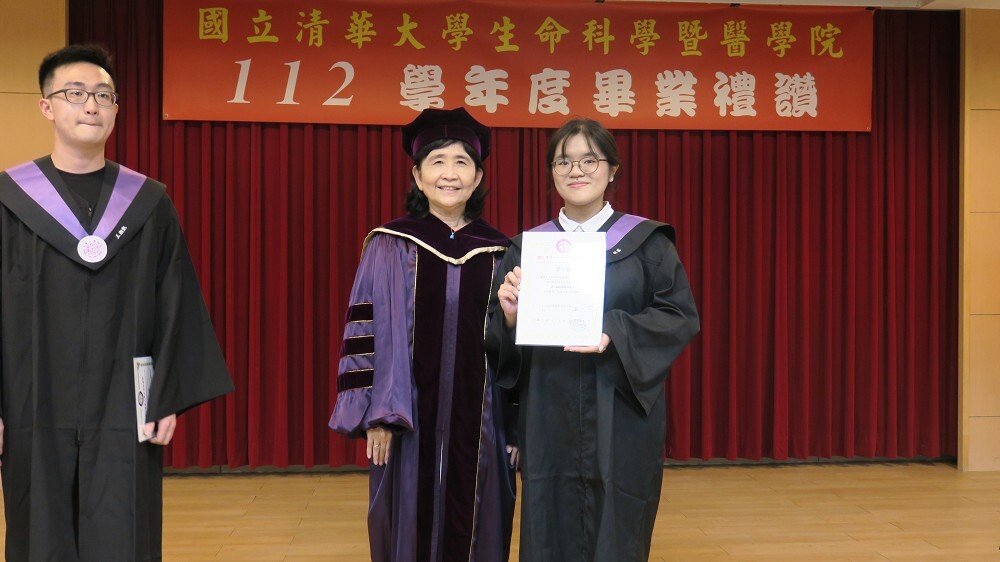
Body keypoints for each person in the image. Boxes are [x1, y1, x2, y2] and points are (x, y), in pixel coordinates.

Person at [0, 44, 234, 561]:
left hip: (124, 403)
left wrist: (166, 394)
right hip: (30, 399)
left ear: (116, 110)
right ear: (46, 106)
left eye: (103, 96)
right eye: (75, 93)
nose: (91, 105)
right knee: (39, 532)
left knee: (124, 532)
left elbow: (175, 300)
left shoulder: (148, 203)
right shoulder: (10, 201)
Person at [487, 118, 700, 561]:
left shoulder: (647, 243)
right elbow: (498, 342)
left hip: (620, 410)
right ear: (552, 172)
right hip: (548, 412)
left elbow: (678, 315)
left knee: (619, 523)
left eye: (589, 160)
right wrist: (508, 317)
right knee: (549, 521)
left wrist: (612, 331)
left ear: (612, 169)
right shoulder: (528, 249)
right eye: (563, 162)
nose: (576, 171)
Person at [328, 107, 518, 562]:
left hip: (484, 423)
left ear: (477, 178)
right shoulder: (389, 244)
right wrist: (377, 415)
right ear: (417, 176)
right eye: (437, 162)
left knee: (480, 522)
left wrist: (515, 426)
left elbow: (517, 350)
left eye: (461, 162)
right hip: (405, 418)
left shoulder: (502, 252)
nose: (449, 174)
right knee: (405, 524)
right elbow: (366, 330)